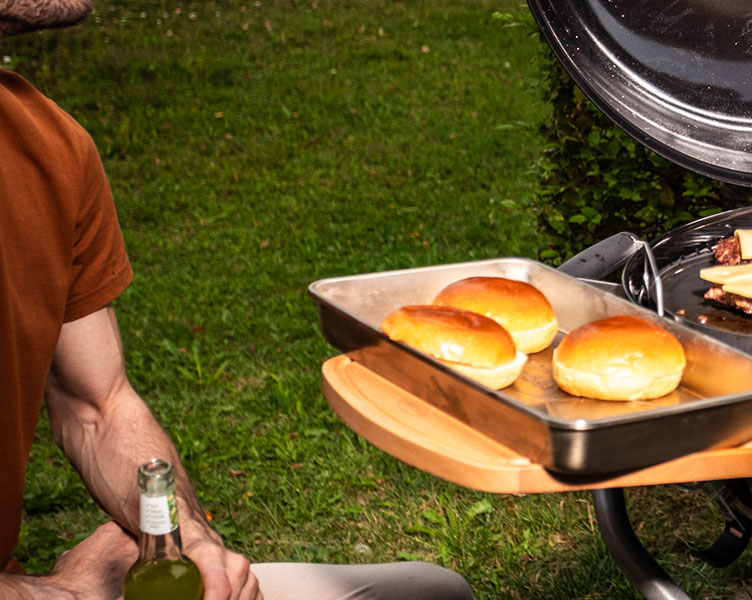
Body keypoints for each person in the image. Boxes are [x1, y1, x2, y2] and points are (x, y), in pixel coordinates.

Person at [0, 2, 473, 598]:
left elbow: (99, 406)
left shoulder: (49, 145)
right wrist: (66, 595)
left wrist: (185, 540)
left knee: (428, 593)